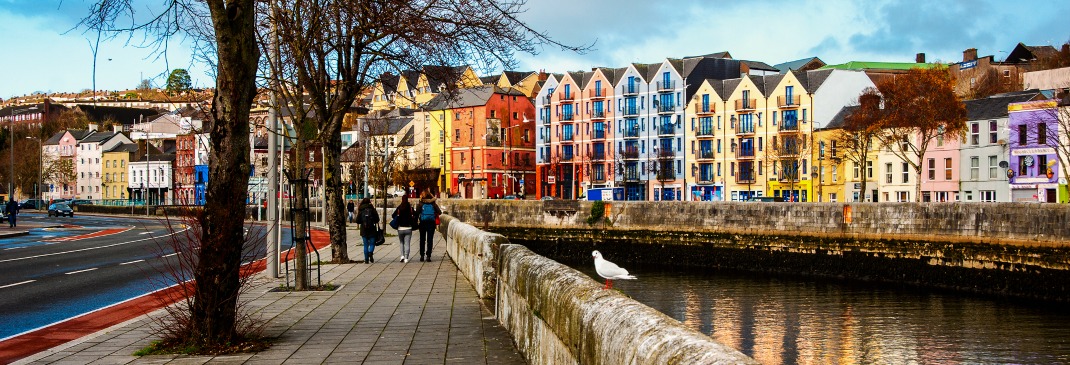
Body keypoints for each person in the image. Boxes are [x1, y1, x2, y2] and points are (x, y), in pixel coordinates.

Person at [416, 190, 442, 262]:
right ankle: (428, 256)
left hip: (423, 223)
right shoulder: (433, 204)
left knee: (422, 239)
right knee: (430, 239)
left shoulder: (421, 203)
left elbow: (417, 213)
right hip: (431, 223)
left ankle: (422, 255)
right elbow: (439, 212)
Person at [392, 195, 416, 263]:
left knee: (401, 242)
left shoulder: (399, 207)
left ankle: (402, 255)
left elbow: (393, 215)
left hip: (400, 228)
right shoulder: (410, 208)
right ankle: (406, 258)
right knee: (407, 243)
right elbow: (415, 214)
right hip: (408, 228)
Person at [355, 198, 378, 264]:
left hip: (364, 229)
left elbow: (357, 221)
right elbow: (377, 219)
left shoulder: (361, 210)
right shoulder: (372, 209)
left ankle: (366, 259)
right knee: (372, 243)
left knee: (365, 244)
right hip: (372, 228)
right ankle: (370, 252)